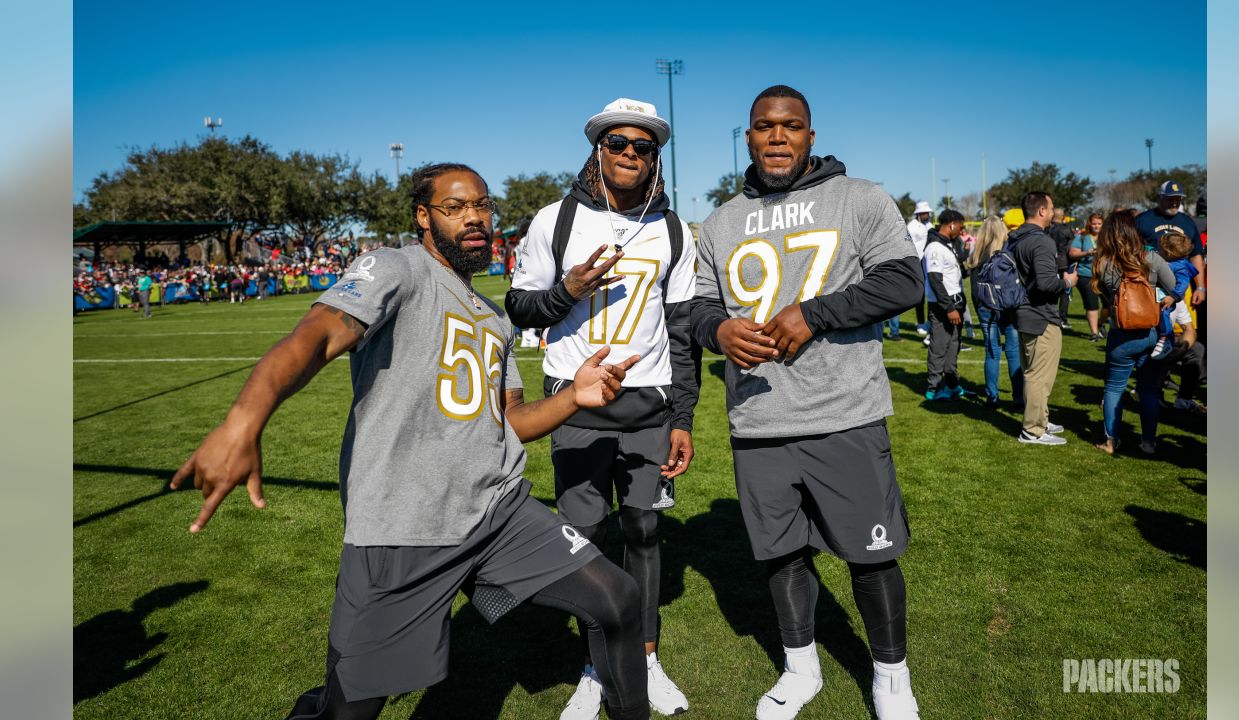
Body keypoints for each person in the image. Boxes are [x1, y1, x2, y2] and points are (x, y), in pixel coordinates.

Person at [169, 163, 653, 720]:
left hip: (497, 510)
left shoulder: (494, 317)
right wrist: (243, 422)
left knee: (617, 598)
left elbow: (506, 422)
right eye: (455, 207)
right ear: (423, 217)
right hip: (406, 526)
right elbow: (316, 335)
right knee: (350, 709)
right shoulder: (397, 269)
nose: (474, 218)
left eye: (482, 205)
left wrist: (573, 396)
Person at [689, 85, 924, 720]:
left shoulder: (860, 197)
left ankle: (891, 677)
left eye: (790, 126)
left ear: (811, 135)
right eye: (764, 126)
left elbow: (905, 279)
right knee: (781, 554)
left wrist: (813, 315)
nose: (777, 137)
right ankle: (801, 668)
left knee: (871, 556)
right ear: (748, 136)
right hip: (758, 418)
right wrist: (718, 330)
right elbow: (695, 306)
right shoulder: (719, 220)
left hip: (842, 412)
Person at [505, 97, 700, 719]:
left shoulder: (673, 229)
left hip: (648, 406)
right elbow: (520, 308)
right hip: (577, 406)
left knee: (644, 532)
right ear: (597, 148)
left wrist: (683, 418)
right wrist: (570, 290)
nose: (629, 155)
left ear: (655, 159)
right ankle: (594, 666)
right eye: (618, 143)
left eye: (643, 147)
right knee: (583, 539)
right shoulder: (553, 221)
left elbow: (681, 330)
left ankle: (643, 660)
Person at [1090, 210, 1177, 455]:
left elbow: (1106, 298)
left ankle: (1110, 441)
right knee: (1148, 390)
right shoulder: (1153, 259)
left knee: (1114, 388)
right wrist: (1155, 299)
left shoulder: (1104, 263)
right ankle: (1149, 442)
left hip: (1121, 335)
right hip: (1151, 333)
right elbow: (1174, 290)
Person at [1009, 192, 1078, 445]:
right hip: (1041, 316)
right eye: (1050, 208)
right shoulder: (1041, 241)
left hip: (1024, 313)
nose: (1053, 213)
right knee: (1039, 376)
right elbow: (1047, 283)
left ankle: (1040, 419)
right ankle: (1033, 430)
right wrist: (1068, 281)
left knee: (1032, 372)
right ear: (1040, 211)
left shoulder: (1015, 237)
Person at [966, 215, 1024, 408]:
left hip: (986, 308)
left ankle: (992, 397)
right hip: (1008, 307)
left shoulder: (977, 254)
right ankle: (1018, 397)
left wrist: (980, 309)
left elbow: (975, 290)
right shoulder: (1008, 252)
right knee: (1014, 352)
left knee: (992, 353)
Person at [1135, 180, 1206, 324]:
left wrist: (1200, 287)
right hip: (1151, 285)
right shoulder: (1143, 220)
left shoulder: (1187, 222)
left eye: (1177, 199)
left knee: (1184, 327)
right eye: (1170, 199)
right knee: (1155, 325)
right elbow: (1131, 250)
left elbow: (1196, 255)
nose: (1174, 203)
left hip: (1181, 284)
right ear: (1159, 197)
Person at [922, 209, 969, 400]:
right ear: (951, 224)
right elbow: (935, 280)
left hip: (954, 304)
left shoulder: (947, 244)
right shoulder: (934, 247)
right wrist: (949, 308)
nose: (962, 230)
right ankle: (933, 389)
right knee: (939, 346)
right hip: (943, 307)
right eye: (960, 226)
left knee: (953, 345)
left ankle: (951, 383)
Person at [1150, 230, 1197, 360]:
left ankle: (1165, 339)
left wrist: (1172, 297)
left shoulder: (1179, 266)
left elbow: (1183, 284)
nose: (1159, 250)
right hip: (1164, 294)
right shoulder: (1167, 259)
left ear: (1170, 252)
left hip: (1170, 298)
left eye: (1161, 249)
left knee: (1164, 314)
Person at [1069, 212, 1102, 340]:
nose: (1096, 226)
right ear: (1089, 224)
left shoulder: (1106, 237)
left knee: (1109, 304)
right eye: (1094, 223)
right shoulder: (1082, 237)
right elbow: (1072, 253)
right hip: (1086, 275)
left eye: (1099, 224)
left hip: (1104, 275)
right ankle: (1094, 333)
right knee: (1092, 304)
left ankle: (1101, 324)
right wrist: (1087, 252)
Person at [905, 201, 932, 336]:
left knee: (931, 294)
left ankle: (929, 322)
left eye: (928, 213)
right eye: (925, 213)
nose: (927, 215)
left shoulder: (929, 225)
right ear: (919, 213)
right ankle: (920, 322)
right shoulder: (912, 226)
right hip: (917, 262)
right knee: (920, 295)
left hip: (929, 262)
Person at [1047, 207, 1075, 329]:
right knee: (1065, 292)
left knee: (1051, 290)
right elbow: (1071, 249)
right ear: (1063, 217)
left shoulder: (1047, 229)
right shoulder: (1067, 230)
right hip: (1064, 263)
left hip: (1050, 262)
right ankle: (1062, 318)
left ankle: (1051, 316)